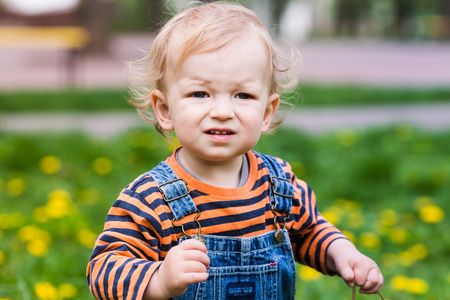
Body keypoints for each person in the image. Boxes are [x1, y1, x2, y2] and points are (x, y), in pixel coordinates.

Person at [87, 2, 384, 299]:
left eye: (243, 95)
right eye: (200, 94)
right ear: (165, 109)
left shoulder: (278, 183)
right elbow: (103, 271)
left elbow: (308, 232)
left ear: (267, 112)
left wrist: (343, 254)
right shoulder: (150, 199)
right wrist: (159, 279)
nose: (222, 111)